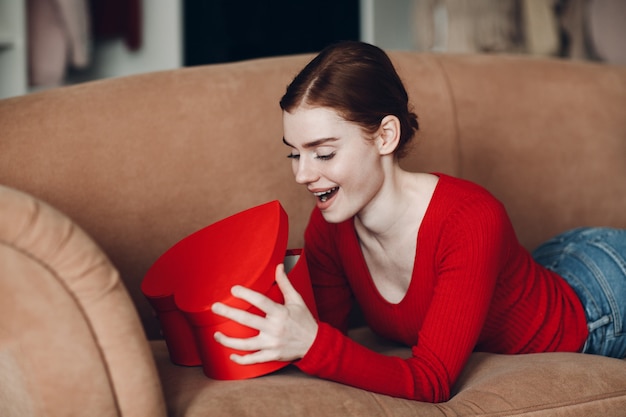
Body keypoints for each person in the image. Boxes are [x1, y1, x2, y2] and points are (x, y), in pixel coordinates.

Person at [211, 41, 626, 403]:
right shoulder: (330, 225)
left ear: (386, 137)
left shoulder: (470, 219)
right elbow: (321, 333)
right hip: (550, 263)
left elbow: (431, 381)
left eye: (322, 153)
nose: (302, 174)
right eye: (294, 154)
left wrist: (313, 343)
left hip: (600, 302)